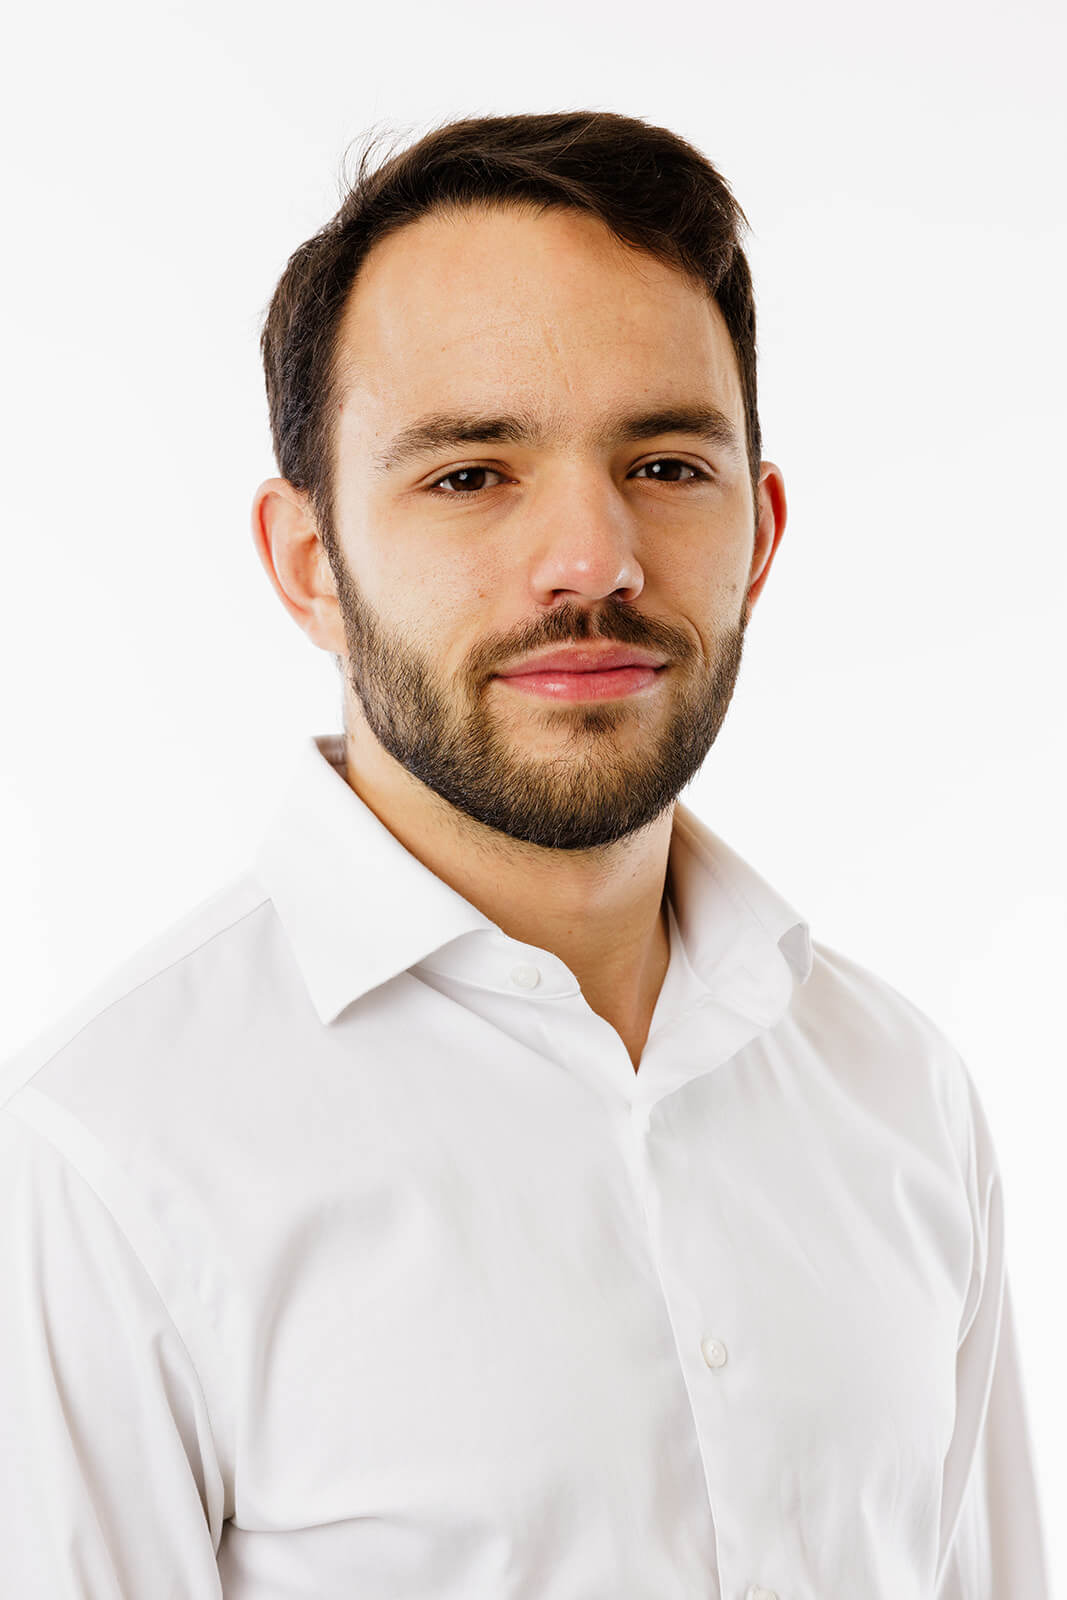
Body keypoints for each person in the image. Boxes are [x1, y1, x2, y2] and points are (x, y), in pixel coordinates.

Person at [0, 110, 1050, 1599]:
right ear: (310, 562)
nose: (593, 560)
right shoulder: (102, 1161)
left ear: (759, 534)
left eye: (667, 464)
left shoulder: (901, 1096)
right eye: (471, 475)